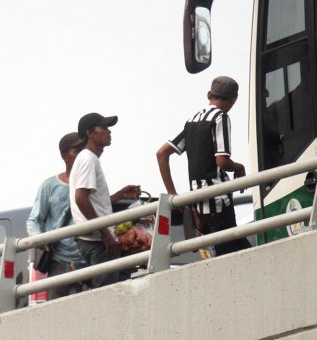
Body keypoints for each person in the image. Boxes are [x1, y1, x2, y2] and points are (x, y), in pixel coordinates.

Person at [156, 75, 251, 257]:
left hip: (198, 202)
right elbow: (222, 161)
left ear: (209, 94)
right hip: (218, 199)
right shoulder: (221, 118)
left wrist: (172, 194)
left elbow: (161, 154)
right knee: (236, 254)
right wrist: (239, 168)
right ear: (234, 99)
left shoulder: (192, 121)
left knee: (223, 251)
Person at [69, 112, 141, 288]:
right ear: (89, 133)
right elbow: (81, 199)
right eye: (103, 128)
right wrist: (105, 234)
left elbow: (92, 200)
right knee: (107, 294)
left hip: (93, 239)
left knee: (122, 276)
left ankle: (84, 272)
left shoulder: (87, 158)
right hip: (97, 241)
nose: (109, 131)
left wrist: (120, 195)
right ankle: (84, 273)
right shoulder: (88, 159)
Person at [26, 132, 87, 299]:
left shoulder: (91, 183)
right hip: (60, 262)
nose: (82, 155)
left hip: (88, 258)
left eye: (84, 150)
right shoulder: (50, 186)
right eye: (77, 150)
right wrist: (39, 239)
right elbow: (33, 220)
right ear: (65, 155)